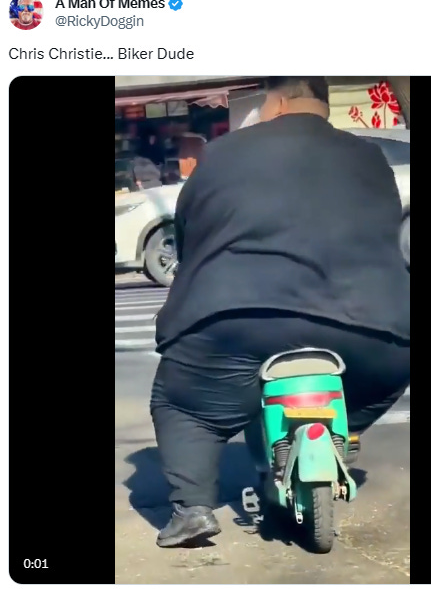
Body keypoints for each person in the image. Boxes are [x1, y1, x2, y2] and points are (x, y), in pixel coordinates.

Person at [150, 77, 410, 548]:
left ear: (280, 102)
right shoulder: (371, 157)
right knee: (379, 381)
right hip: (376, 328)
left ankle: (192, 509)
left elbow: (186, 229)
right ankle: (340, 434)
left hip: (237, 319)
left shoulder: (222, 153)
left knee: (184, 405)